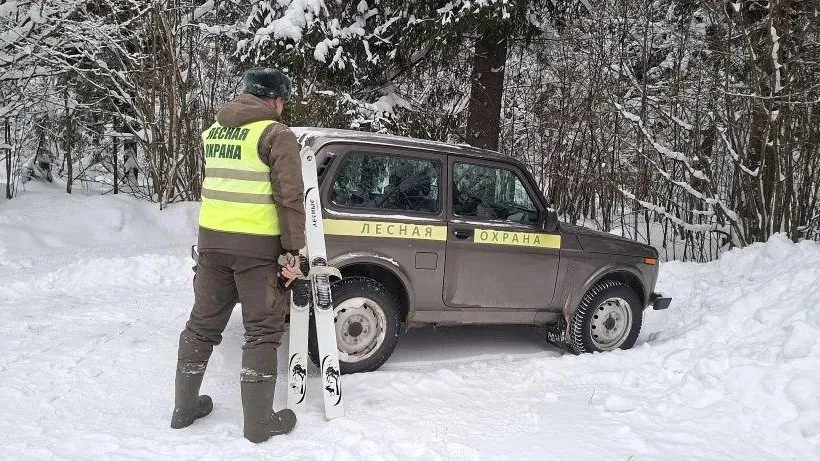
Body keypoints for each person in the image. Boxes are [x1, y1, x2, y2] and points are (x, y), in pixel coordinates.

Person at [171, 68, 307, 443]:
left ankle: (184, 409)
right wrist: (294, 252)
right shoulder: (276, 135)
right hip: (257, 250)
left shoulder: (214, 131)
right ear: (276, 100)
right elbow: (290, 198)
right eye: (284, 101)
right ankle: (259, 423)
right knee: (262, 331)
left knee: (201, 325)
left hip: (212, 244)